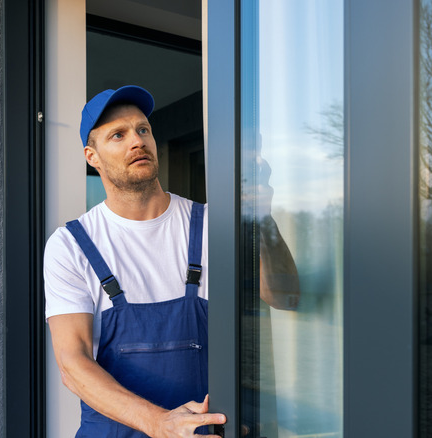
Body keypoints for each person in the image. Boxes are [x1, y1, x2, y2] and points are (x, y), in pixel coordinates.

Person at [44, 85, 299, 437]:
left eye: (142, 129)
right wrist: (160, 424)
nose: (137, 140)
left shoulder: (214, 224)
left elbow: (285, 296)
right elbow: (73, 363)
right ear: (92, 157)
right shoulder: (71, 245)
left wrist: (263, 220)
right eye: (118, 135)